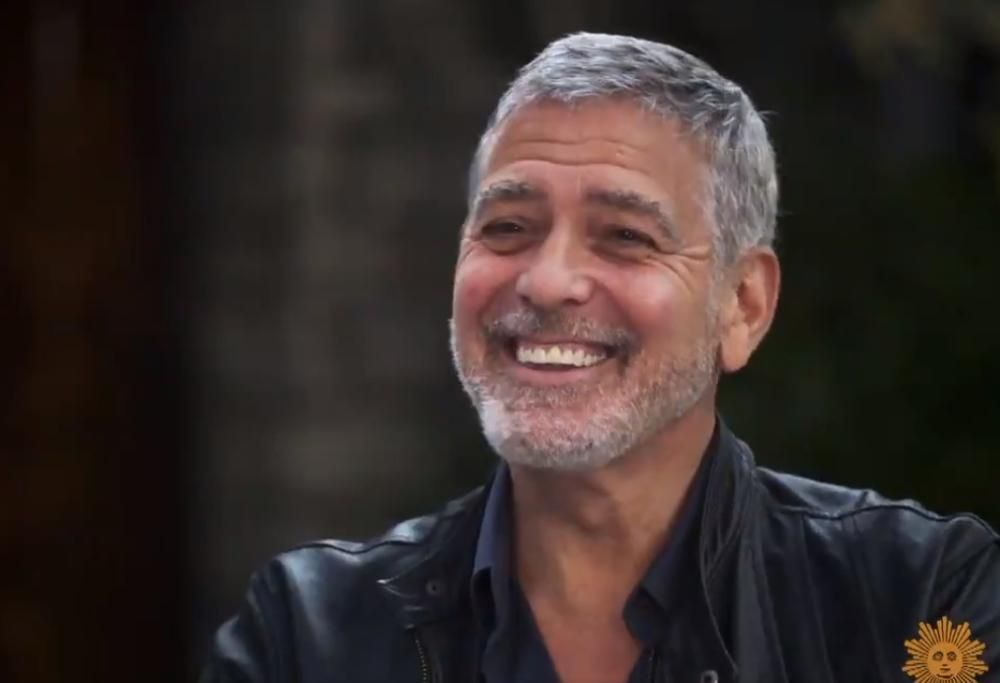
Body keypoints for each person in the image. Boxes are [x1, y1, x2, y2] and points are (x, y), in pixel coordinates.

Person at [200, 32, 999, 683]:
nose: (547, 280)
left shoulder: (920, 602)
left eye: (625, 236)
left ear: (743, 305)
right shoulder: (308, 635)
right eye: (508, 227)